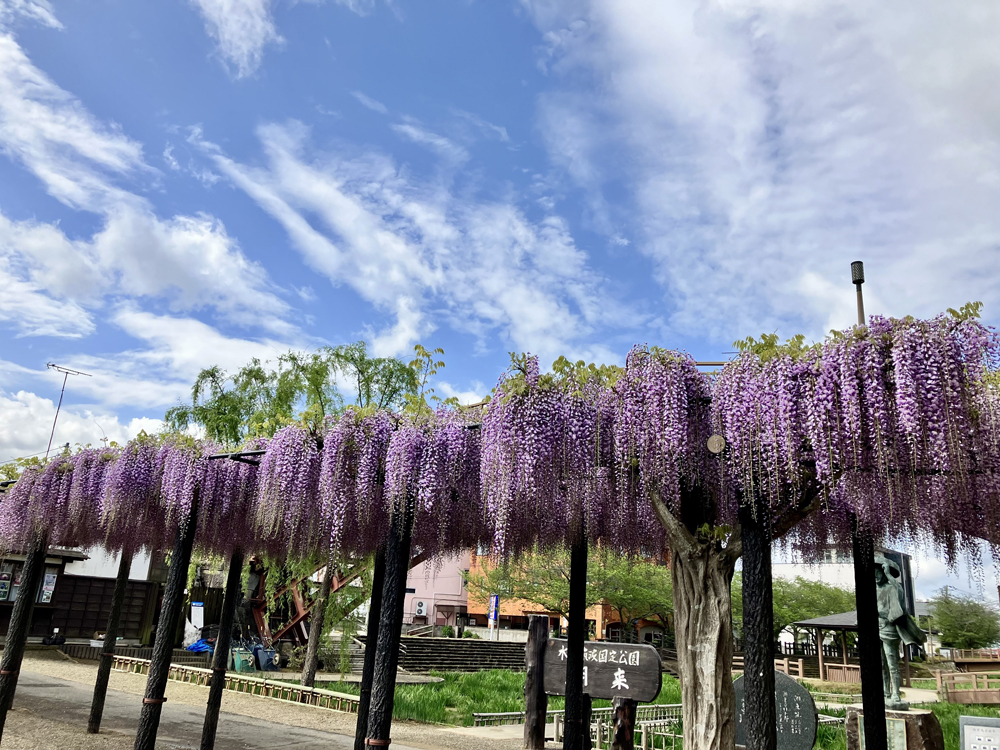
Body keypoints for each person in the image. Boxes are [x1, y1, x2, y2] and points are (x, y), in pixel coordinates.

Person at [874, 555, 925, 709]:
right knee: (880, 664)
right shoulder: (872, 590)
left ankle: (896, 693)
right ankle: (885, 693)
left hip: (889, 628)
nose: (876, 576)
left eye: (879, 573)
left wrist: (890, 576)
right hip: (876, 627)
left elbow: (899, 595)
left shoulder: (892, 588)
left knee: (892, 663)